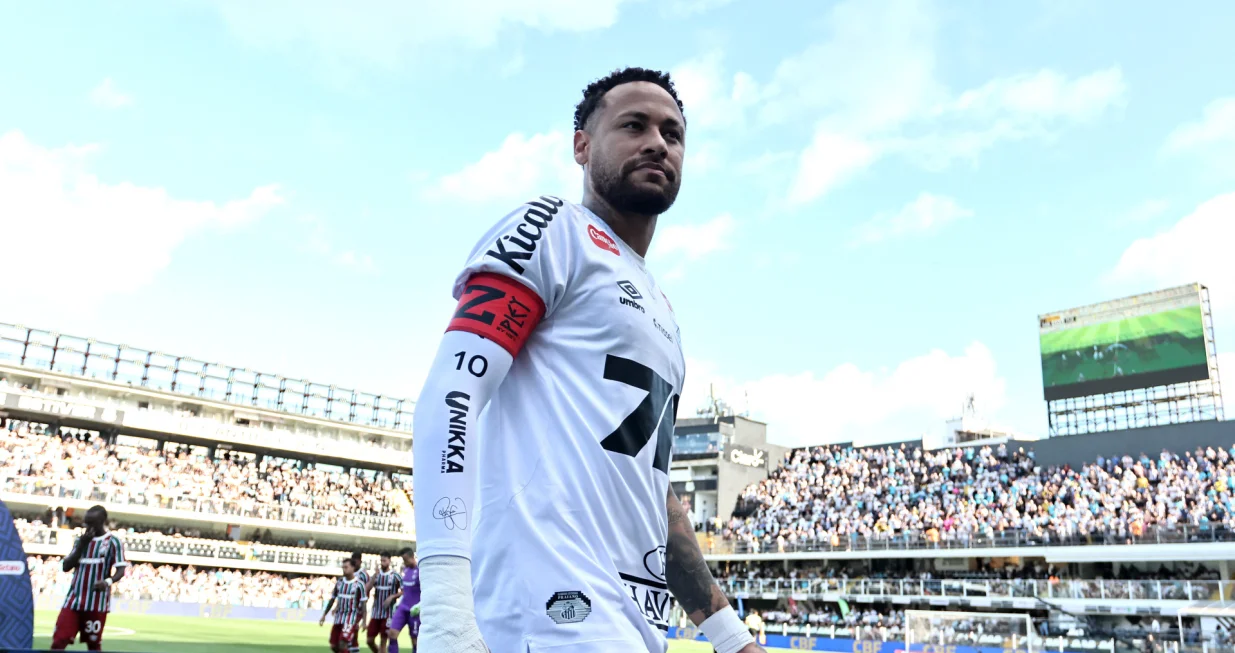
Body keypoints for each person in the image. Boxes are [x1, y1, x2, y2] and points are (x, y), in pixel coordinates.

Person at [411, 66, 763, 653]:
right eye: (634, 125)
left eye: (673, 134)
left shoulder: (662, 309)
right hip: (546, 615)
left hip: (631, 623)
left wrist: (732, 638)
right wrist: (447, 607)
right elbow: (453, 393)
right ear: (581, 145)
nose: (658, 142)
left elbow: (652, 489)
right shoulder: (556, 230)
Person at [51, 505, 129, 651]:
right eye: (86, 523)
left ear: (102, 521)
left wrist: (107, 582)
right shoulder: (81, 541)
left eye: (92, 523)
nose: (88, 527)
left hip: (96, 603)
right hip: (73, 601)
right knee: (59, 641)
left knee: (93, 645)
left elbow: (121, 570)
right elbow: (66, 566)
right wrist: (81, 546)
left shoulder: (113, 542)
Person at [321, 558, 366, 653]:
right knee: (334, 646)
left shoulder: (359, 584)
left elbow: (363, 604)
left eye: (346, 567)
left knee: (342, 644)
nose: (344, 569)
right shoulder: (340, 582)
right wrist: (324, 615)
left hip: (350, 619)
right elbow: (332, 599)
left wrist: (364, 621)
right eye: (343, 567)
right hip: (338, 617)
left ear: (353, 568)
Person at [386, 548, 420, 653]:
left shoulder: (421, 571)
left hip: (414, 611)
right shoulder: (406, 570)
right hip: (403, 608)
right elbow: (405, 590)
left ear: (412, 557)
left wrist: (420, 606)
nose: (404, 562)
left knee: (415, 641)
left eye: (405, 559)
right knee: (392, 634)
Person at [366, 553, 401, 653]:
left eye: (384, 561)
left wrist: (392, 596)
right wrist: (373, 577)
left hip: (388, 613)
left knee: (383, 641)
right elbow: (367, 589)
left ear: (389, 561)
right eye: (381, 561)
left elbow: (404, 590)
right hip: (376, 613)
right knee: (369, 640)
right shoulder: (377, 575)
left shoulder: (395, 575)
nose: (382, 563)